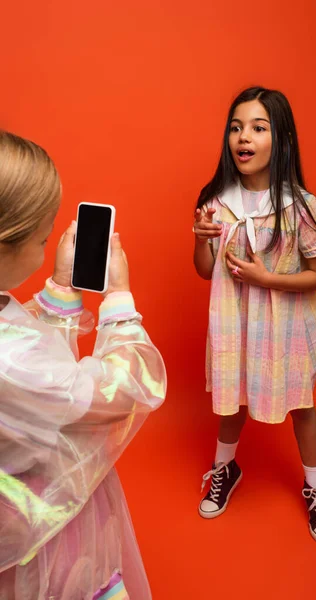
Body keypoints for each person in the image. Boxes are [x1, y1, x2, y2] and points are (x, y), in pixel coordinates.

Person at [0, 130, 166, 598]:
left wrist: (57, 287)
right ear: (5, 244)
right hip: (45, 535)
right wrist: (118, 300)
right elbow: (121, 390)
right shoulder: (15, 364)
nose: (47, 243)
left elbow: (26, 357)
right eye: (41, 237)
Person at [193, 87, 316, 545]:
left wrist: (266, 279)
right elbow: (203, 270)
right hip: (234, 324)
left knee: (301, 405)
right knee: (232, 399)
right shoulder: (217, 198)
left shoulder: (299, 205)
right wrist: (200, 239)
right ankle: (224, 468)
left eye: (258, 127)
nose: (244, 136)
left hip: (286, 326)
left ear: (283, 140)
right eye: (236, 127)